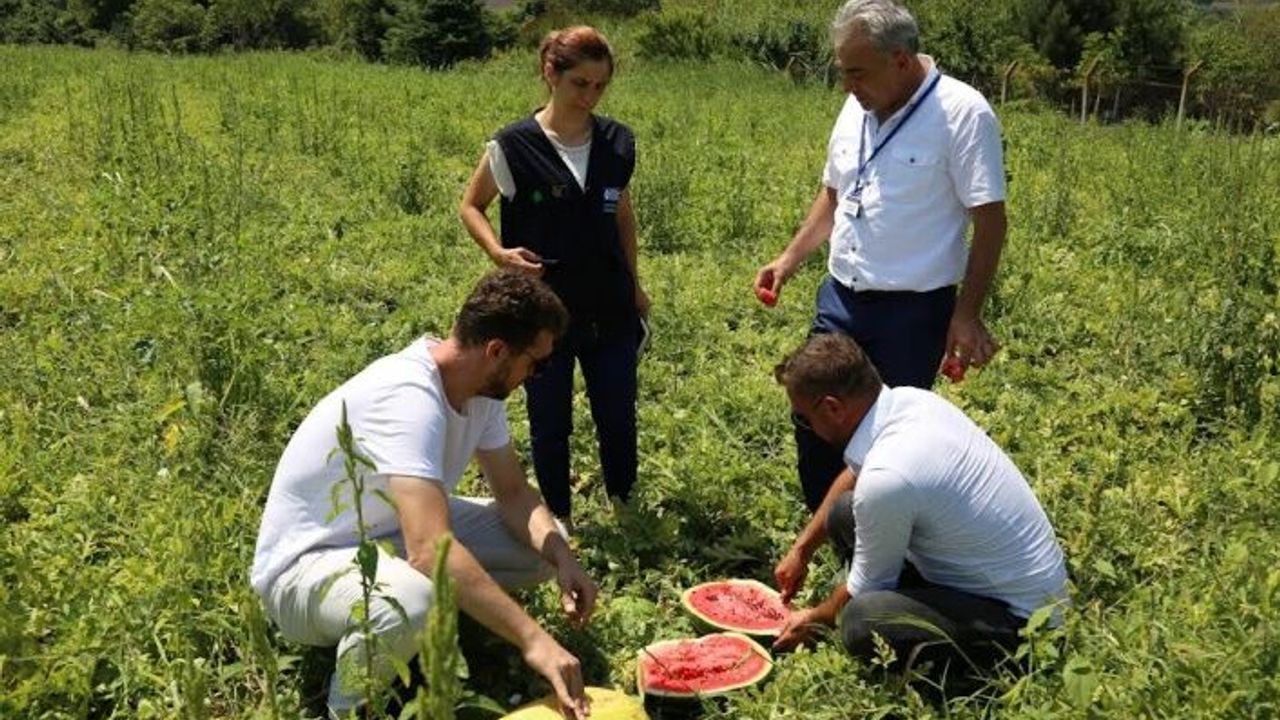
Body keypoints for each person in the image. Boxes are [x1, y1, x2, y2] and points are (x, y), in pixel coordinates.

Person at [250, 270, 597, 720]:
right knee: (414, 600)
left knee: (544, 548)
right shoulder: (410, 399)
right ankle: (350, 708)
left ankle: (431, 617)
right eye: (536, 363)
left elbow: (512, 492)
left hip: (389, 530)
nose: (535, 376)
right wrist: (534, 640)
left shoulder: (480, 393)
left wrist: (564, 558)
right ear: (496, 350)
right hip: (303, 569)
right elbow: (430, 550)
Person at [753, 0, 1010, 513]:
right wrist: (789, 259)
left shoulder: (962, 113)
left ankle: (873, 557)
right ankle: (824, 530)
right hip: (840, 297)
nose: (847, 85)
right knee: (811, 413)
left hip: (911, 313)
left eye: (856, 72)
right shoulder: (858, 105)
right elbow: (833, 193)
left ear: (899, 59)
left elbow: (991, 220)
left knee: (882, 442)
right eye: (842, 71)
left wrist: (967, 314)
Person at [771, 333, 1067, 677]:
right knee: (843, 512)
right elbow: (854, 473)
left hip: (1025, 625)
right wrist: (801, 550)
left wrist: (815, 618)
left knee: (861, 620)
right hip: (1014, 582)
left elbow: (866, 589)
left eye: (804, 418)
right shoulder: (911, 401)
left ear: (833, 408)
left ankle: (994, 662)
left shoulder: (887, 477)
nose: (806, 427)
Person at [460, 25, 647, 529]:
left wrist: (635, 283)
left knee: (617, 412)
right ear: (551, 73)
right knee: (550, 421)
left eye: (599, 86)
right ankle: (558, 517)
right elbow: (472, 205)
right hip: (542, 308)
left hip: (609, 302)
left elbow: (621, 215)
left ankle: (625, 507)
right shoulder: (513, 145)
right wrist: (498, 251)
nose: (589, 96)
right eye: (579, 84)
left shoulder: (616, 142)